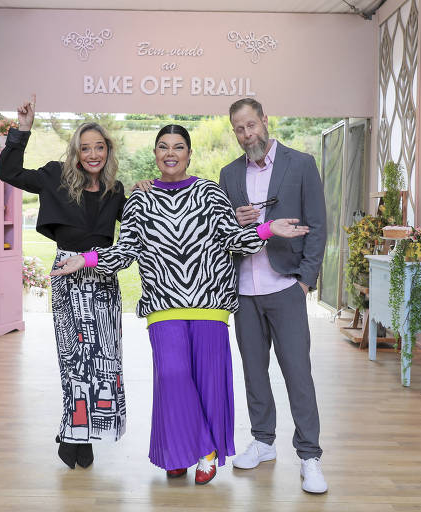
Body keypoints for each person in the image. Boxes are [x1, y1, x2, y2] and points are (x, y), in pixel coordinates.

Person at [52, 124, 309, 485]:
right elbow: (127, 251)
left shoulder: (210, 193)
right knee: (173, 377)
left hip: (209, 304)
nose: (170, 153)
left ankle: (183, 451)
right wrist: (87, 260)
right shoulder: (139, 200)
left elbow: (233, 239)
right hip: (163, 305)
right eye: (162, 147)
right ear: (155, 154)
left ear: (189, 154)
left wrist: (267, 230)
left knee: (206, 382)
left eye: (178, 147)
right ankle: (197, 448)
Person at [0, 97, 127, 470]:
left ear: (107, 151)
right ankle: (76, 434)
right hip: (66, 277)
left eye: (99, 147)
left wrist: (149, 190)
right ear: (76, 151)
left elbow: (138, 227)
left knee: (104, 362)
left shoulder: (116, 190)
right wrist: (22, 130)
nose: (92, 154)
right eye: (85, 148)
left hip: (102, 278)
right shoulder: (55, 176)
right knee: (74, 361)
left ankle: (77, 431)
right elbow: (10, 172)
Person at [219, 98, 328, 493]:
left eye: (251, 125)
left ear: (265, 121)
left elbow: (317, 225)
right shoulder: (228, 173)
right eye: (239, 129)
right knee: (253, 372)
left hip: (286, 286)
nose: (247, 135)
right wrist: (236, 218)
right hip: (244, 291)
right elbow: (222, 232)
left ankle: (310, 455)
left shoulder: (301, 165)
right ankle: (263, 441)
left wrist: (305, 281)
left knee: (298, 373)